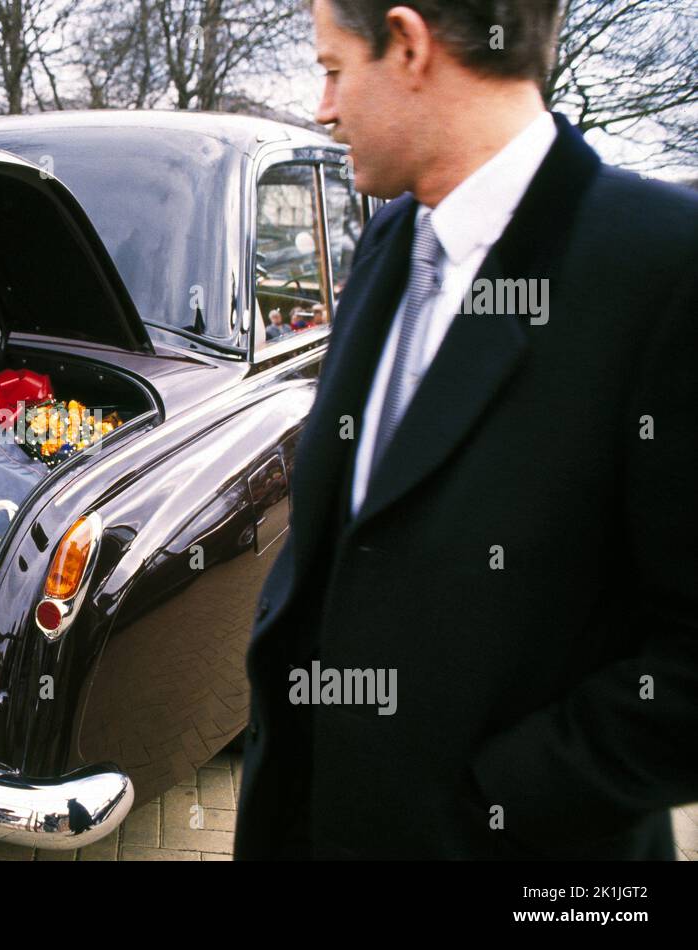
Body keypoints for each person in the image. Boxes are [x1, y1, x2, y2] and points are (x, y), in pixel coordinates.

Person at [235, 0, 698, 860]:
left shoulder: (663, 266)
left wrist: (501, 802)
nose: (321, 106)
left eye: (333, 68)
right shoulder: (390, 240)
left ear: (409, 45)